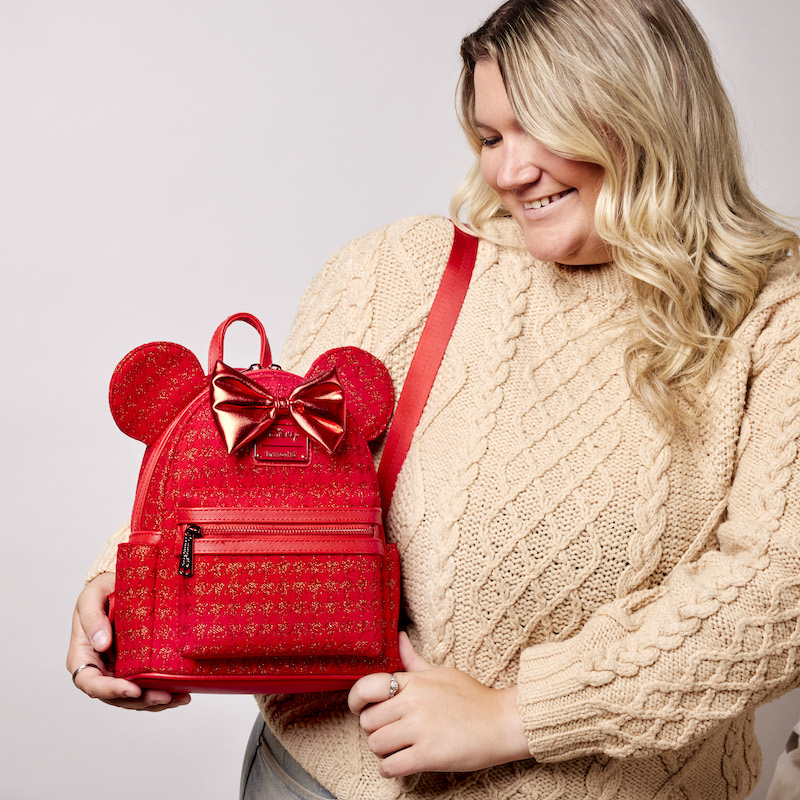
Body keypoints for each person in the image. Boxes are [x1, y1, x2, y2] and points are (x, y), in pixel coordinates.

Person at [67, 0, 800, 798]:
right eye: (490, 137)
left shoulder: (773, 316)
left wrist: (516, 717)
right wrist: (122, 590)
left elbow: (778, 589)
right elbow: (254, 467)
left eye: (543, 130)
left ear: (647, 116)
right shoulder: (406, 269)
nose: (509, 172)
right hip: (320, 779)